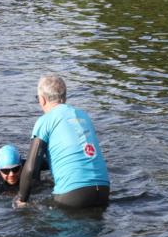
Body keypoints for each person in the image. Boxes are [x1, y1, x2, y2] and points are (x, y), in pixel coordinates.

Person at [16, 75, 110, 209]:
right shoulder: (84, 116)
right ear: (64, 97)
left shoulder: (45, 121)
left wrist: (21, 199)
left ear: (42, 99)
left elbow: (31, 168)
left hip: (72, 194)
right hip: (103, 190)